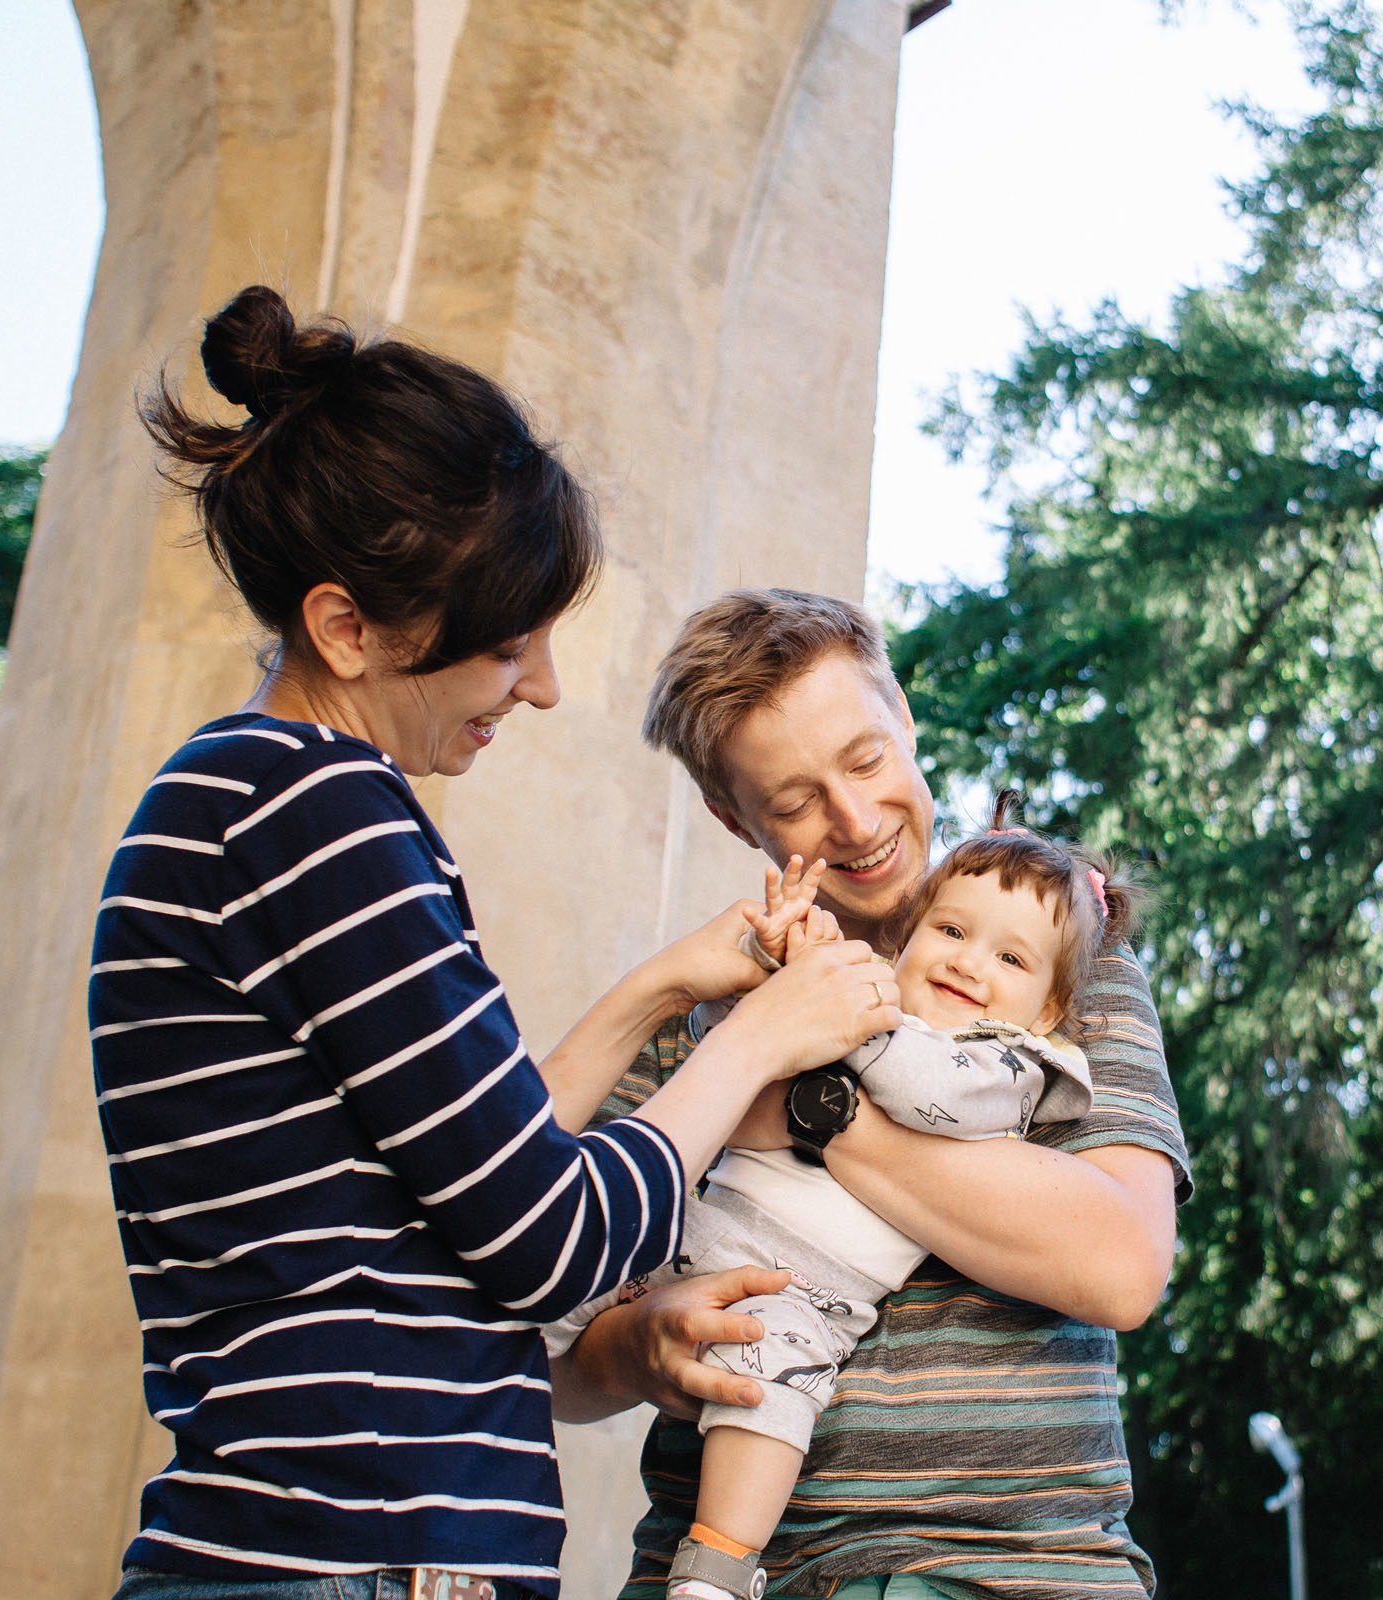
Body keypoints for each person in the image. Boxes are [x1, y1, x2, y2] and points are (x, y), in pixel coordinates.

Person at [88, 293, 899, 1600]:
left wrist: (660, 992)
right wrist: (765, 1036)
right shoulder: (319, 808)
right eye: (508, 644)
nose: (542, 688)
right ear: (348, 628)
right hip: (350, 1563)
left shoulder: (256, 798)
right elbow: (552, 1242)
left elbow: (458, 1185)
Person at [554, 589, 1193, 1600]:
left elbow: (1118, 1263)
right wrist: (638, 1349)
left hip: (1015, 1572)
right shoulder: (708, 1017)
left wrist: (807, 1107)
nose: (857, 822)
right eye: (798, 800)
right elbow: (552, 1347)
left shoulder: (1058, 961)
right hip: (725, 1571)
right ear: (732, 813)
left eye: (865, 759)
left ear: (904, 716)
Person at [549, 834, 1139, 1600]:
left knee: (770, 1394)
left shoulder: (1010, 1067)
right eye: (952, 932)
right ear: (909, 937)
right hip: (688, 1236)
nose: (967, 963)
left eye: (1011, 960)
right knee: (554, 1270)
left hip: (802, 1293)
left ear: (1051, 1008)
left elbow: (917, 1088)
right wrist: (781, 976)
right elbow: (721, 1047)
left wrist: (825, 1007)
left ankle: (714, 1571)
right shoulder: (865, 995)